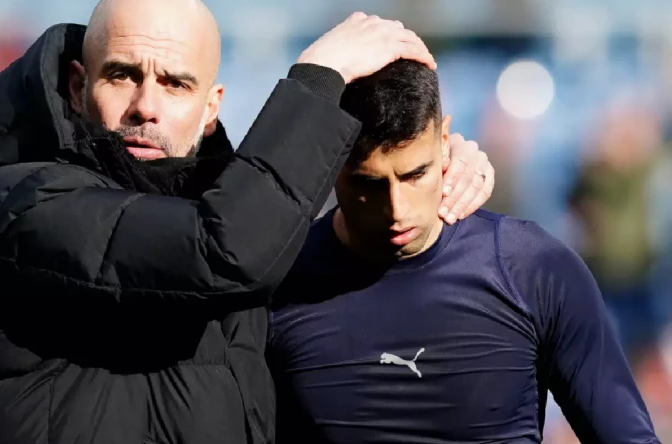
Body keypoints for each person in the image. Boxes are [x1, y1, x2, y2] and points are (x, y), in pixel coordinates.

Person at [0, 0, 495, 443]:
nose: (146, 106)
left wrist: (438, 173)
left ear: (211, 109)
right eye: (122, 75)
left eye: (176, 84)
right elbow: (221, 250)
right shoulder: (17, 201)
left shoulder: (228, 213)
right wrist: (319, 81)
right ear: (79, 88)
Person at [267, 59, 661, 443]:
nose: (396, 209)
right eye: (368, 184)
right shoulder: (275, 282)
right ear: (331, 163)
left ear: (444, 140)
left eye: (415, 174)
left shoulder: (532, 270)